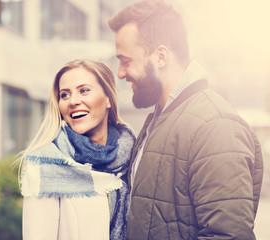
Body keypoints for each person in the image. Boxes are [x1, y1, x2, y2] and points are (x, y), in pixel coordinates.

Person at [108, 1, 264, 239]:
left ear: (161, 56)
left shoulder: (215, 126)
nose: (120, 73)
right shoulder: (159, 120)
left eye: (126, 61)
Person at [19, 59, 135, 240]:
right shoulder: (46, 166)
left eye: (84, 91)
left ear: (108, 99)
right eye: (64, 95)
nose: (73, 101)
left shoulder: (135, 157)